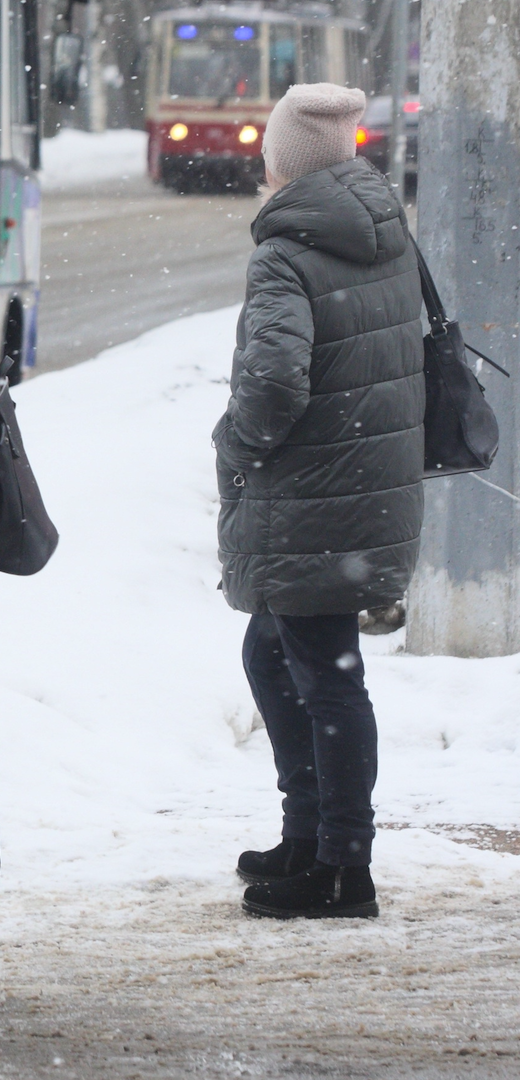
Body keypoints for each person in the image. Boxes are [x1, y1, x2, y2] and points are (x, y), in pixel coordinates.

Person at [217, 84, 422, 920]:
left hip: (313, 497)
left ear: (281, 164)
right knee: (279, 658)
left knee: (327, 677)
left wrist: (235, 443)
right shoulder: (384, 232)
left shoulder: (286, 252)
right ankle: (311, 837)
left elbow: (271, 383)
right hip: (370, 488)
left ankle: (342, 866)